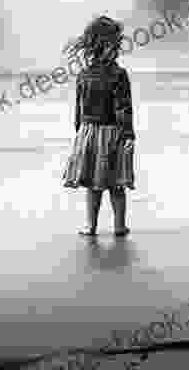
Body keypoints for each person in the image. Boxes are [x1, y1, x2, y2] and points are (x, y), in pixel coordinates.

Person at [61, 16, 135, 236]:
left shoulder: (84, 74)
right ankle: (118, 226)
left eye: (118, 45)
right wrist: (128, 134)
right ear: (102, 45)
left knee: (96, 184)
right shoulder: (119, 75)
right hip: (111, 133)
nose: (118, 49)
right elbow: (124, 108)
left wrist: (79, 132)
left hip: (91, 132)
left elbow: (79, 107)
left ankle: (91, 226)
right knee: (115, 183)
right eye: (115, 44)